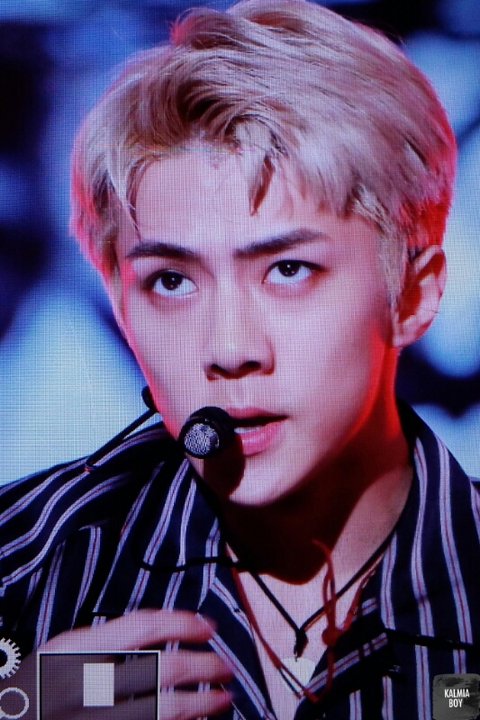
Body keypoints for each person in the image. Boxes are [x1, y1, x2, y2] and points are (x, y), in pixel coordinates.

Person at [1, 0, 479, 718]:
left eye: (288, 271)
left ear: (414, 294)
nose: (228, 350)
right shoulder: (20, 571)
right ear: (121, 306)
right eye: (172, 281)